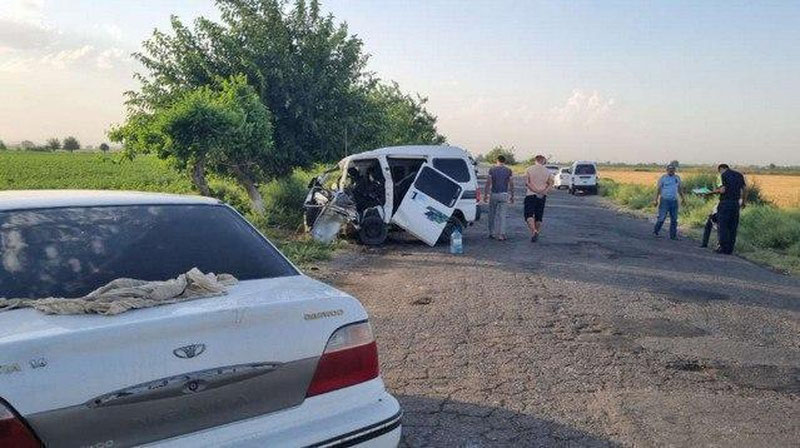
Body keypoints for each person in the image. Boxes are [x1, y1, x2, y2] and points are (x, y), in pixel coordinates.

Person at [712, 163, 746, 254]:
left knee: (723, 226)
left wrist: (713, 192)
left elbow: (722, 190)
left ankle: (723, 248)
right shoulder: (739, 175)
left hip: (725, 203)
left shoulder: (721, 176)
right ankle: (730, 249)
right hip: (735, 204)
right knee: (733, 226)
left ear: (720, 169)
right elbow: (745, 189)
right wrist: (743, 201)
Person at [484, 154, 514, 240]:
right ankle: (501, 234)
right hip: (504, 194)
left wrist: (486, 195)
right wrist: (512, 195)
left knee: (492, 214)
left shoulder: (492, 170)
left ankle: (491, 233)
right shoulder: (508, 170)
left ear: (497, 160)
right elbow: (511, 183)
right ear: (504, 161)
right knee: (502, 215)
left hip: (494, 194)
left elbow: (488, 183)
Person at [524, 155, 553, 242]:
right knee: (539, 216)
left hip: (531, 194)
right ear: (543, 161)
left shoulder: (529, 169)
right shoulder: (547, 171)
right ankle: (537, 231)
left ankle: (533, 231)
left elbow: (527, 183)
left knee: (528, 214)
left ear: (535, 160)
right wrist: (544, 191)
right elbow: (551, 183)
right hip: (542, 195)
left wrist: (535, 190)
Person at [652, 164, 686, 240]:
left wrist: (683, 198)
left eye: (673, 169)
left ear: (675, 170)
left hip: (674, 201)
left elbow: (680, 189)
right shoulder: (663, 178)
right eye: (670, 169)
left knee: (674, 219)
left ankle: (673, 236)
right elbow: (658, 189)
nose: (671, 171)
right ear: (667, 170)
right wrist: (655, 200)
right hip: (664, 200)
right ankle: (655, 231)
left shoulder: (677, 178)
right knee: (662, 218)